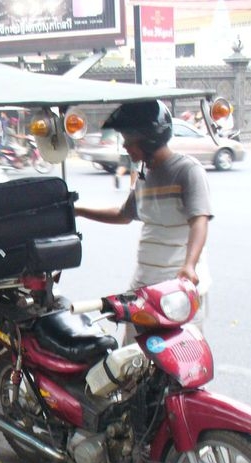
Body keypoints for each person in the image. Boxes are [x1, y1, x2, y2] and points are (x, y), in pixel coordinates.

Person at [75, 101, 213, 337]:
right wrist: (77, 210)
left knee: (177, 360)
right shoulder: (143, 175)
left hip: (178, 289)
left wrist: (189, 265)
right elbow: (123, 215)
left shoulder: (187, 170)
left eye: (128, 139)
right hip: (144, 286)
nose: (126, 146)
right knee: (133, 361)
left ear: (148, 138)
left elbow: (199, 219)